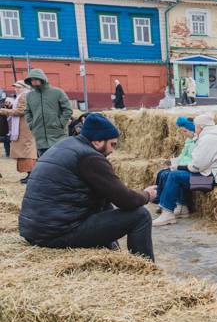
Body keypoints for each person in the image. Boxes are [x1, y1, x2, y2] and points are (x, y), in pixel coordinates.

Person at [18, 113, 156, 260]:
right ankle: (145, 268)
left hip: (35, 230)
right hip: (56, 234)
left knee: (104, 204)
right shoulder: (89, 157)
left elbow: (106, 199)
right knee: (140, 216)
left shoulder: (67, 145)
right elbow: (126, 200)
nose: (112, 151)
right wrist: (146, 195)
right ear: (97, 142)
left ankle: (115, 255)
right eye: (112, 144)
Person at [153, 113, 217, 226]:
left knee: (174, 175)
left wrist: (177, 166)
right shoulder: (214, 136)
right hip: (215, 178)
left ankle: (167, 213)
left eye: (196, 127)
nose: (195, 130)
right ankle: (182, 208)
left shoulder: (209, 139)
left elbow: (196, 166)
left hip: (210, 182)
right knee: (179, 174)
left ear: (201, 127)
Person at [152, 116, 196, 215]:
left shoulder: (197, 142)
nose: (184, 134)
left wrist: (177, 165)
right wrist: (173, 162)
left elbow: (193, 160)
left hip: (190, 168)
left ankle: (179, 204)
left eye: (185, 131)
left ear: (192, 129)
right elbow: (182, 156)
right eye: (182, 132)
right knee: (162, 173)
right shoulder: (189, 141)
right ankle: (161, 201)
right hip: (183, 165)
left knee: (171, 174)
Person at [23, 68, 72, 156]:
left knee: (60, 161)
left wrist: (61, 123)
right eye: (31, 80)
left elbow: (67, 109)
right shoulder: (29, 96)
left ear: (42, 79)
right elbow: (27, 111)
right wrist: (31, 124)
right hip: (39, 136)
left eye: (35, 79)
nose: (33, 81)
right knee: (44, 163)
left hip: (57, 134)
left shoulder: (57, 92)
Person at [0, 81, 38, 183]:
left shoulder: (24, 96)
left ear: (24, 87)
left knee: (27, 152)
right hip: (23, 127)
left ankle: (31, 175)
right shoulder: (24, 96)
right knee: (25, 151)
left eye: (18, 87)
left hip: (24, 128)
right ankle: (30, 175)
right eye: (15, 87)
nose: (16, 89)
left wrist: (2, 110)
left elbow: (20, 111)